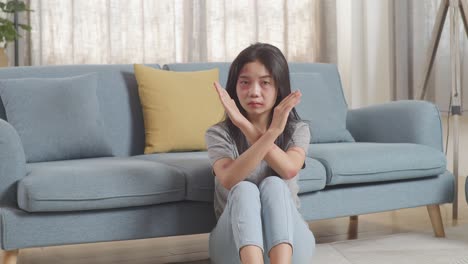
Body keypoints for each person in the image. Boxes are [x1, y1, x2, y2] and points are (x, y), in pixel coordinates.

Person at [205, 42, 315, 264]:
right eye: (245, 82)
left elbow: (289, 168)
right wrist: (256, 129)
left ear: (279, 88)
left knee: (274, 184)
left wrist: (261, 129)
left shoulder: (297, 130)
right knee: (243, 188)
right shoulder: (219, 133)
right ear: (234, 87)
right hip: (234, 249)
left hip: (292, 248)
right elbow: (228, 179)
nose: (254, 92)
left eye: (265, 83)